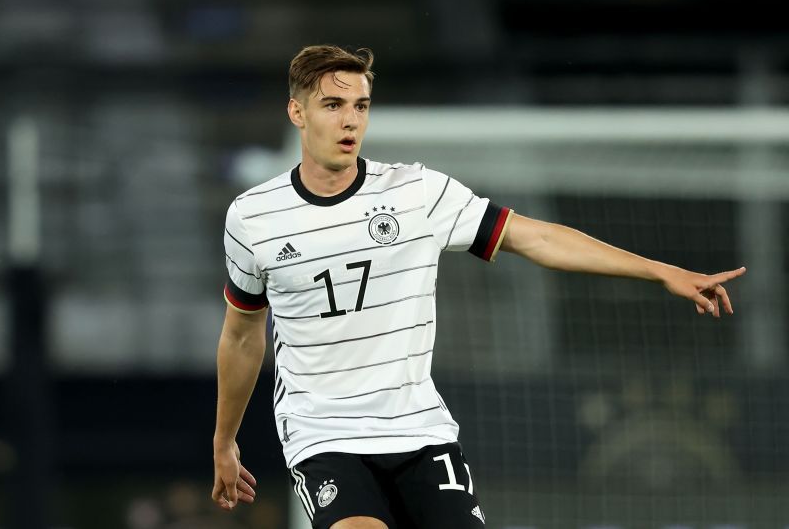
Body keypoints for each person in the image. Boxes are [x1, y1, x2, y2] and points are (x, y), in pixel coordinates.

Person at [211, 45, 746, 529]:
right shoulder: (255, 218)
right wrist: (225, 440)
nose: (351, 121)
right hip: (324, 432)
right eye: (333, 105)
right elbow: (241, 335)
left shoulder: (417, 192)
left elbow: (533, 238)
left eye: (362, 106)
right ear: (297, 112)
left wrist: (661, 271)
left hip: (418, 427)